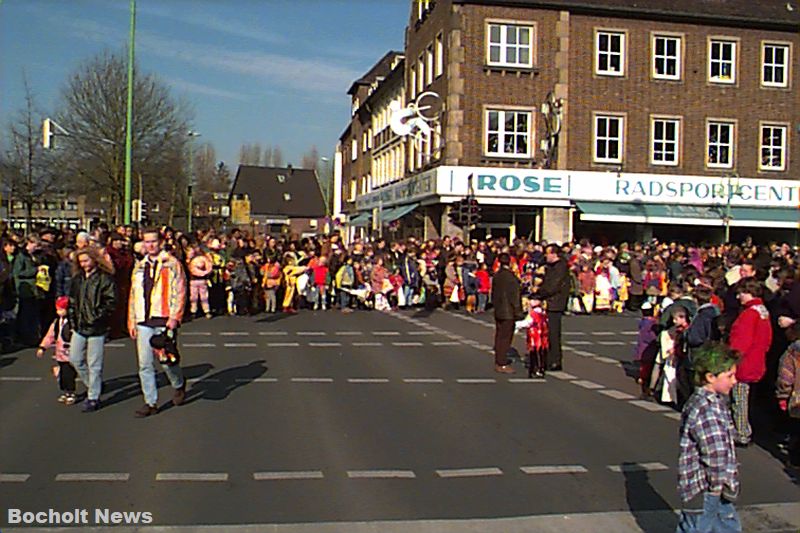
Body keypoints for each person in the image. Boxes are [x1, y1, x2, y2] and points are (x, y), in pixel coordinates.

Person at [676, 342, 741, 533]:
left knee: (724, 527)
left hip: (708, 489)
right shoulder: (706, 409)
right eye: (729, 376)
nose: (734, 381)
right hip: (707, 489)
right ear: (710, 377)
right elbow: (715, 454)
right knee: (701, 527)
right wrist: (722, 484)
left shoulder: (712, 402)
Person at [128, 228, 187, 418]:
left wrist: (175, 317)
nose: (150, 245)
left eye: (153, 241)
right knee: (145, 363)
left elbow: (180, 290)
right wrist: (131, 319)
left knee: (166, 360)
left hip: (163, 316)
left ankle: (178, 384)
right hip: (143, 319)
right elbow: (133, 294)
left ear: (160, 242)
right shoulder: (139, 266)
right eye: (146, 242)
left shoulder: (172, 264)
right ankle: (150, 402)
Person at [68, 247, 117, 413]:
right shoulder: (77, 279)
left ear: (95, 260)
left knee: (94, 363)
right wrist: (73, 319)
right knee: (75, 358)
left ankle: (93, 397)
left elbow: (111, 302)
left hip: (97, 327)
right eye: (80, 262)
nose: (84, 265)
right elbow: (72, 301)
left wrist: (96, 317)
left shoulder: (105, 279)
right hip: (79, 326)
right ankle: (92, 384)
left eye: (86, 261)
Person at [728, 278, 772, 447]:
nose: (739, 296)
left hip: (744, 362)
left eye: (741, 293)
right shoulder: (762, 311)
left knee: (739, 399)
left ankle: (742, 432)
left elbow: (741, 341)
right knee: (748, 397)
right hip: (757, 358)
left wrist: (732, 358)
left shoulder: (749, 314)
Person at [533, 244, 570, 371]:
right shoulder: (552, 267)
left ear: (554, 254)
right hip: (551, 302)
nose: (545, 256)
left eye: (547, 253)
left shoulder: (560, 267)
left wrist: (539, 293)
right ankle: (549, 359)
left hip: (555, 303)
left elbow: (552, 286)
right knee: (547, 333)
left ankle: (554, 360)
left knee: (553, 333)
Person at [36, 296, 76, 405]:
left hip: (70, 353)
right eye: (57, 310)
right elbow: (50, 335)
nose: (58, 312)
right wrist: (43, 347)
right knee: (63, 374)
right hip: (60, 354)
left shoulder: (73, 322)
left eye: (61, 309)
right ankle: (65, 390)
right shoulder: (57, 322)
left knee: (69, 374)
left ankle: (70, 392)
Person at [491, 253, 523, 374]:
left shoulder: (497, 276)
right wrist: (518, 312)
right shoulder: (511, 277)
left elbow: (493, 294)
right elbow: (515, 297)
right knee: (506, 338)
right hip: (508, 311)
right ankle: (502, 363)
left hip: (499, 309)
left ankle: (499, 360)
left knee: (499, 336)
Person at [776, 322, 800, 466]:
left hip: (796, 398)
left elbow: (786, 377)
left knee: (796, 431)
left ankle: (795, 460)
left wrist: (783, 395)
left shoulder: (792, 353)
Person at [515, 298, 549, 378]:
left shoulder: (533, 314)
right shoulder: (543, 313)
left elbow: (527, 323)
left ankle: (534, 369)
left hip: (534, 336)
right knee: (542, 353)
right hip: (543, 337)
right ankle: (541, 368)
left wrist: (516, 325)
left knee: (534, 354)